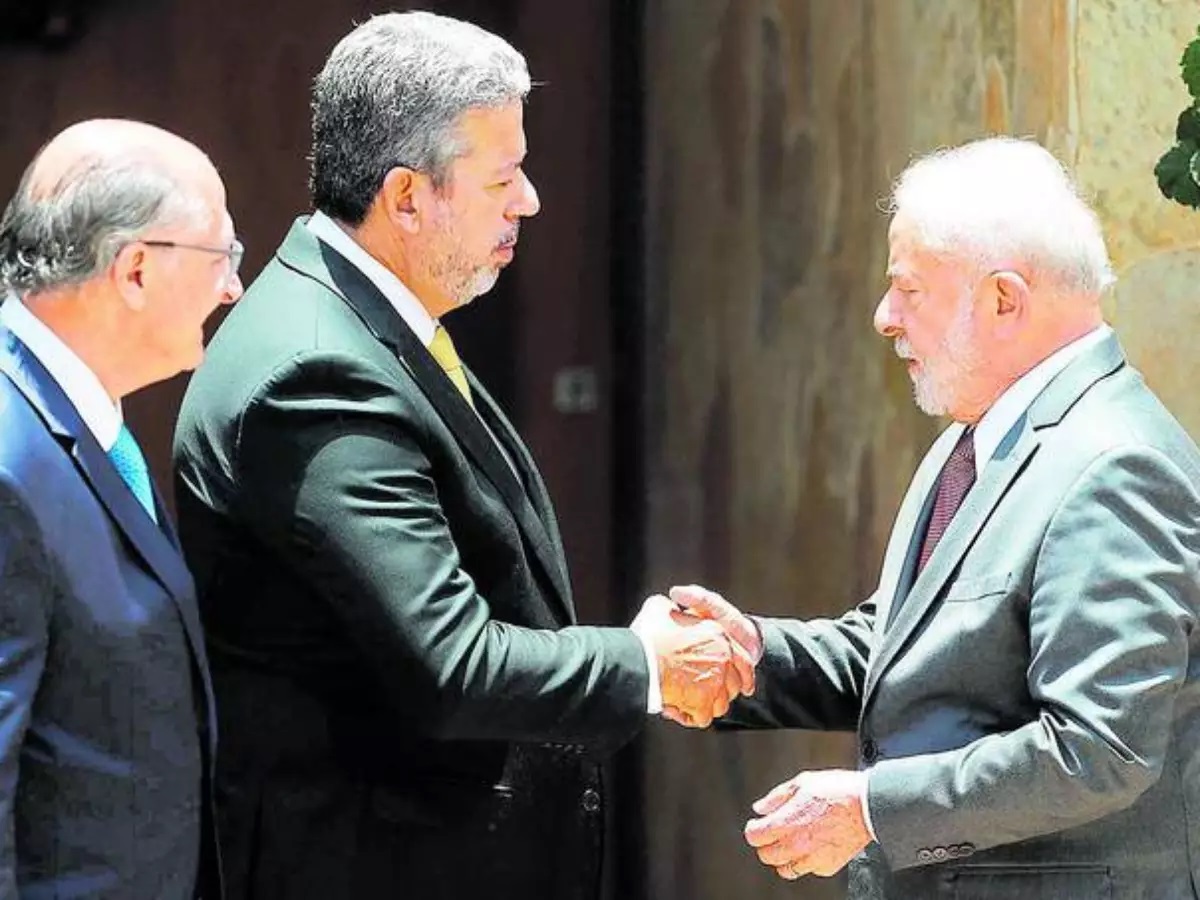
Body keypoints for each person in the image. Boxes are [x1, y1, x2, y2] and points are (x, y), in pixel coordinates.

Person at [172, 12, 753, 900]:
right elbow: (451, 665)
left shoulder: (367, 317)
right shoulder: (317, 370)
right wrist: (647, 665)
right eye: (504, 177)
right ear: (407, 198)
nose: (530, 201)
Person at [673, 136, 1200, 898]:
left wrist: (871, 810)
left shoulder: (1115, 466)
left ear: (1004, 300)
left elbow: (1098, 750)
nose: (884, 317)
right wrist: (754, 657)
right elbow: (916, 648)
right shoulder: (978, 435)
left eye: (909, 290)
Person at [0, 119, 243, 898]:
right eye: (222, 255)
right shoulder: (10, 459)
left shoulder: (75, 417)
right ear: (136, 270)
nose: (232, 288)